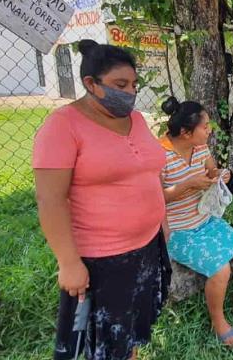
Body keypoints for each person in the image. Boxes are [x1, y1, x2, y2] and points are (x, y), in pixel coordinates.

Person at [33, 39, 170, 360]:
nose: (131, 92)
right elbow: (50, 200)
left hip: (147, 246)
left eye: (134, 84)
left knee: (131, 332)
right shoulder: (62, 127)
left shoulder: (136, 120)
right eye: (120, 84)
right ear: (90, 84)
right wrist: (68, 263)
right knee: (107, 344)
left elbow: (151, 172)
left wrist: (162, 223)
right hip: (103, 260)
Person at [158, 97, 233, 348]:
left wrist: (219, 175)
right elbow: (154, 197)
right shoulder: (159, 155)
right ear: (186, 132)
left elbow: (210, 171)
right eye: (205, 126)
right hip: (178, 230)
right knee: (221, 269)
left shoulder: (201, 148)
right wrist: (187, 185)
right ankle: (219, 322)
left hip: (204, 219)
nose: (210, 130)